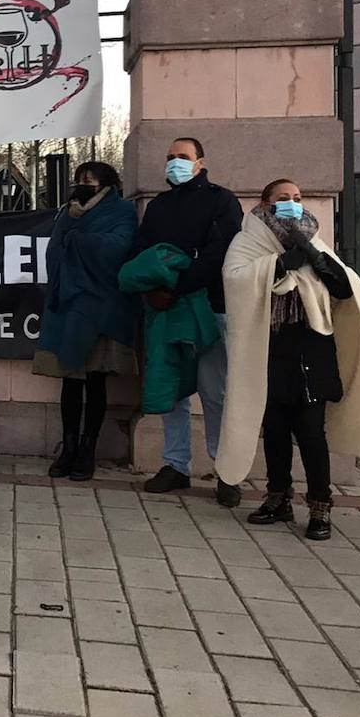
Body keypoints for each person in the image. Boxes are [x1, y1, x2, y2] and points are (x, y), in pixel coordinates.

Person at [218, 180, 360, 540]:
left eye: (297, 198)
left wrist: (318, 262)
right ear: (265, 202)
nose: (292, 204)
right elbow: (235, 280)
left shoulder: (313, 238)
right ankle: (277, 498)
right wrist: (278, 265)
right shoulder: (247, 241)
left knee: (311, 432)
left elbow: (345, 289)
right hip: (269, 347)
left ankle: (320, 505)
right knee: (276, 429)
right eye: (283, 198)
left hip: (312, 346)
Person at [131, 137, 243, 504]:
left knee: (215, 392)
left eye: (182, 157)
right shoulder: (159, 206)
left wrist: (177, 285)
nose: (174, 163)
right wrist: (151, 288)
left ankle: (225, 469)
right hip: (164, 309)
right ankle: (175, 465)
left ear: (200, 163)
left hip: (209, 305)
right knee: (173, 389)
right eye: (169, 157)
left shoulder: (221, 201)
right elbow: (143, 252)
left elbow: (220, 252)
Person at [34, 162, 138, 481]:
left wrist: (80, 242)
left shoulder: (121, 210)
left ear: (106, 183)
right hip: (69, 300)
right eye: (80, 179)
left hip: (101, 303)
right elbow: (54, 250)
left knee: (95, 380)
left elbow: (121, 246)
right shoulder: (68, 212)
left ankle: (88, 449)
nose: (82, 184)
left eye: (89, 180)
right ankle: (68, 446)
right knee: (70, 379)